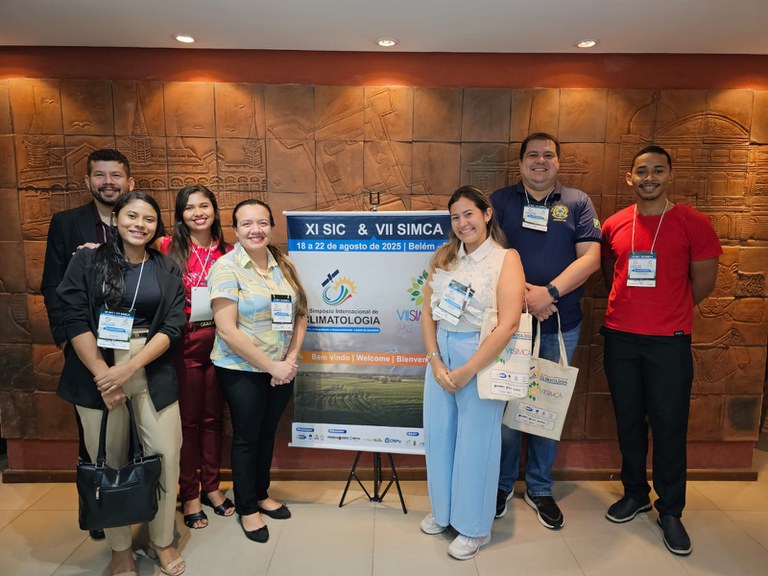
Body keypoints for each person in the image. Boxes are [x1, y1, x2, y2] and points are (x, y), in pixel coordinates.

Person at [56, 191, 187, 576]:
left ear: (156, 226)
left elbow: (173, 326)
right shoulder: (87, 260)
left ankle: (161, 539)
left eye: (148, 219)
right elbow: (74, 318)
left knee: (167, 455)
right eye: (132, 216)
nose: (139, 224)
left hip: (151, 368)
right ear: (115, 219)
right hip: (97, 369)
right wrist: (104, 375)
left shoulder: (167, 268)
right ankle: (120, 549)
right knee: (110, 462)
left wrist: (128, 371)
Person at [601, 145, 721, 556]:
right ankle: (634, 492)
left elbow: (703, 283)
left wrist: (667, 311)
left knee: (669, 426)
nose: (648, 177)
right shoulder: (615, 223)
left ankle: (671, 510)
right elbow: (608, 275)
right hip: (620, 337)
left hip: (669, 341)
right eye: (641, 171)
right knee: (628, 421)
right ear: (629, 178)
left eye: (657, 170)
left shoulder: (693, 221)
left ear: (669, 175)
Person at [491, 132, 601, 528]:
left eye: (548, 155)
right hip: (509, 327)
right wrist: (524, 294)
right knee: (504, 407)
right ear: (520, 162)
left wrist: (550, 292)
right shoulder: (500, 201)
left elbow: (590, 258)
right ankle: (501, 486)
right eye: (533, 155)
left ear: (558, 162)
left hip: (559, 323)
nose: (541, 161)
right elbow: (487, 255)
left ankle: (539, 488)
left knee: (545, 408)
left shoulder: (578, 202)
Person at [420, 186, 525, 560]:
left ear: (486, 214)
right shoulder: (445, 258)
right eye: (454, 217)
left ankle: (473, 527)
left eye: (468, 214)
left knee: (477, 441)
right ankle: (445, 511)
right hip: (440, 355)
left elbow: (509, 324)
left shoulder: (505, 259)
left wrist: (466, 370)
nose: (462, 223)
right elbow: (426, 313)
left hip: (481, 355)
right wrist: (434, 359)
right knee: (439, 434)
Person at [41, 148, 135, 541]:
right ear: (88, 181)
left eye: (116, 175)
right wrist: (67, 338)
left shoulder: (141, 221)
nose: (108, 182)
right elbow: (52, 286)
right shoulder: (67, 223)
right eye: (100, 175)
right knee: (93, 438)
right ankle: (97, 510)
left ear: (130, 183)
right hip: (87, 347)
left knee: (131, 435)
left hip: (135, 349)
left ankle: (133, 499)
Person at [208, 199, 308, 543]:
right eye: (247, 224)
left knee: (267, 434)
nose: (256, 230)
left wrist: (290, 359)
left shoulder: (283, 264)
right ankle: (247, 506)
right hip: (242, 369)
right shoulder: (226, 267)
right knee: (247, 438)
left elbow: (301, 313)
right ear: (235, 230)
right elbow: (226, 330)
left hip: (282, 368)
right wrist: (272, 367)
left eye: (263, 223)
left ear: (270, 227)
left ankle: (262, 493)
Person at [158, 185, 233, 529]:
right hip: (182, 348)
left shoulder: (230, 252)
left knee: (214, 420)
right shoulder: (164, 247)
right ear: (180, 214)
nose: (198, 212)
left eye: (205, 205)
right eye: (190, 207)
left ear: (215, 210)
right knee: (187, 424)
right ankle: (189, 494)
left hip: (221, 348)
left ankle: (213, 488)